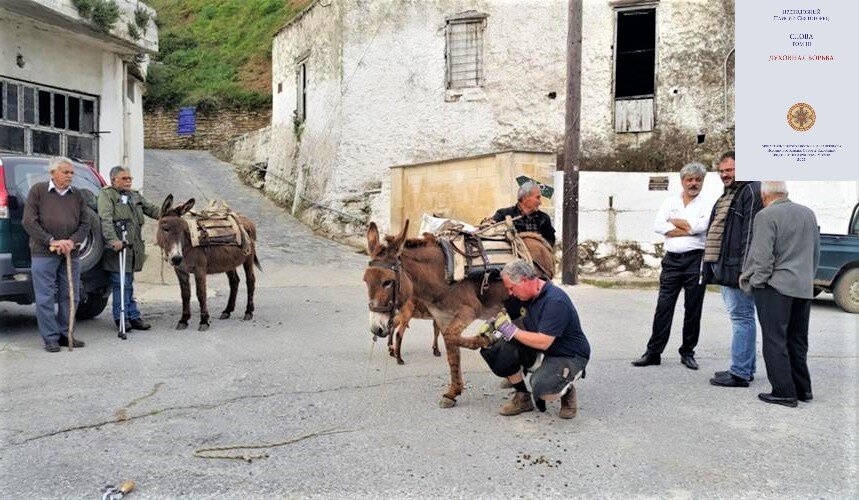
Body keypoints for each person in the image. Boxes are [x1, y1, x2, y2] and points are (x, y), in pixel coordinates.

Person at [740, 181, 819, 407]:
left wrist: (756, 282)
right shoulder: (808, 213)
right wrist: (807, 278)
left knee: (775, 341)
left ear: (764, 195)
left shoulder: (765, 216)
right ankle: (803, 390)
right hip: (802, 287)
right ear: (785, 192)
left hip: (776, 288)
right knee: (797, 340)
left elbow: (762, 259)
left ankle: (784, 392)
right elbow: (815, 251)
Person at [479, 260, 590, 419]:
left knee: (542, 387)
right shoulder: (521, 296)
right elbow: (512, 318)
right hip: (540, 347)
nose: (510, 293)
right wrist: (495, 326)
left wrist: (510, 330)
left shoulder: (555, 301)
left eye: (511, 287)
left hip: (567, 354)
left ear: (524, 280)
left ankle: (567, 388)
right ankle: (522, 397)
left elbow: (544, 341)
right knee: (495, 348)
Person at [632, 162, 712, 370]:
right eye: (689, 179)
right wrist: (689, 228)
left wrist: (676, 224)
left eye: (698, 179)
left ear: (702, 181)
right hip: (672, 261)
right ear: (682, 181)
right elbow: (659, 225)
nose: (693, 183)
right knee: (663, 307)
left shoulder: (708, 203)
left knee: (693, 308)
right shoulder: (669, 201)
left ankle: (687, 352)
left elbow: (701, 227)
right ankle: (653, 352)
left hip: (696, 260)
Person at [703, 152, 764, 388]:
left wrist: (744, 269)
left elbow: (749, 232)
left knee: (741, 317)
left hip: (737, 267)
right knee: (743, 316)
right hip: (726, 264)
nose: (725, 175)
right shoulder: (731, 193)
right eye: (722, 171)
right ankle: (746, 368)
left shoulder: (749, 190)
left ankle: (739, 372)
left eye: (730, 170)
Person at [22, 157, 89, 352]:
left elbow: (85, 223)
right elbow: (29, 222)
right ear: (53, 173)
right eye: (65, 172)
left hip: (70, 252)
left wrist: (71, 241)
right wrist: (51, 240)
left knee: (71, 296)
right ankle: (50, 338)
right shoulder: (38, 191)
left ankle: (65, 334)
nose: (70, 176)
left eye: (71, 173)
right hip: (44, 252)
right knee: (45, 297)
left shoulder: (77, 195)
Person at [97, 166, 161, 336]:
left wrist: (173, 212)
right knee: (120, 283)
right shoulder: (107, 195)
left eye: (129, 178)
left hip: (133, 250)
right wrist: (112, 240)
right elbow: (106, 219)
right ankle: (121, 317)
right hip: (117, 250)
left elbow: (153, 210)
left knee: (128, 283)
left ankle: (133, 315)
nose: (128, 181)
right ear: (114, 179)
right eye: (124, 178)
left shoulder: (134, 195)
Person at [491, 181, 556, 246]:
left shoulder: (544, 218)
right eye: (537, 197)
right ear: (525, 198)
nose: (540, 202)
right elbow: (490, 234)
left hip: (536, 255)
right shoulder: (503, 215)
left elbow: (550, 242)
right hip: (513, 255)